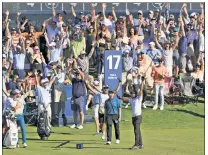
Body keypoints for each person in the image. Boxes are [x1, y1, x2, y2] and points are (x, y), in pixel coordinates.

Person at [117, 76, 145, 150]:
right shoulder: (131, 100)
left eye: (133, 93)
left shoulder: (138, 98)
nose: (132, 94)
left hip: (138, 116)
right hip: (133, 117)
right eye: (131, 93)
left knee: (136, 130)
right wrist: (120, 98)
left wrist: (142, 81)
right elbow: (125, 98)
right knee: (138, 130)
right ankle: (140, 144)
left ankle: (136, 144)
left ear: (136, 94)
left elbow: (141, 90)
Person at [104, 79, 122, 145]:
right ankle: (109, 140)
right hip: (109, 115)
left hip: (115, 114)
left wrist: (120, 116)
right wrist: (105, 117)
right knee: (109, 127)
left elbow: (119, 108)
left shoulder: (117, 100)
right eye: (109, 93)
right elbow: (105, 110)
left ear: (113, 94)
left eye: (112, 93)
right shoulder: (106, 101)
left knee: (116, 127)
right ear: (108, 94)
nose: (111, 94)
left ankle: (117, 138)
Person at [70, 60, 86, 129]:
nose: (78, 76)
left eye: (78, 74)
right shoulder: (74, 80)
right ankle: (75, 123)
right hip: (74, 98)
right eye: (77, 74)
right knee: (74, 112)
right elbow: (69, 74)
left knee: (81, 112)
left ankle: (81, 124)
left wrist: (77, 69)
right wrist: (71, 66)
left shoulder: (81, 81)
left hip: (80, 98)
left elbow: (82, 75)